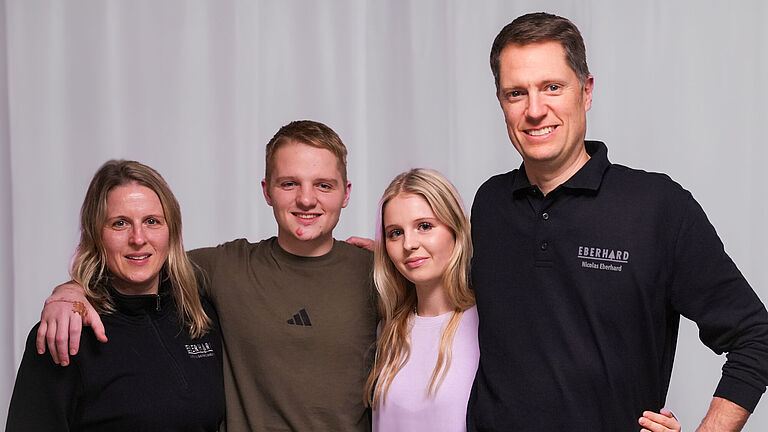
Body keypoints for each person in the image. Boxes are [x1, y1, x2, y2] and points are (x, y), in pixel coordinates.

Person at [467, 12, 768, 431]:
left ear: (586, 91)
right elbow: (453, 292)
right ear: (501, 102)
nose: (535, 110)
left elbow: (755, 335)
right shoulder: (489, 204)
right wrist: (383, 260)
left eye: (552, 87)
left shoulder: (657, 207)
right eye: (516, 93)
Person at [35, 120, 378, 432]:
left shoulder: (377, 275)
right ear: (267, 190)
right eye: (289, 184)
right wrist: (70, 291)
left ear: (346, 193)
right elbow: (137, 258)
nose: (306, 199)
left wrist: (397, 261)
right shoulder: (227, 267)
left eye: (324, 185)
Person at [6, 160, 224, 431]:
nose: (138, 238)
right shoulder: (66, 333)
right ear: (96, 235)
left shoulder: (200, 318)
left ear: (172, 231)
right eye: (120, 223)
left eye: (152, 221)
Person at [364, 169, 478, 431]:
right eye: (395, 233)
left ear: (456, 230)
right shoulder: (389, 330)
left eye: (424, 226)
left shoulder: (487, 326)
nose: (409, 244)